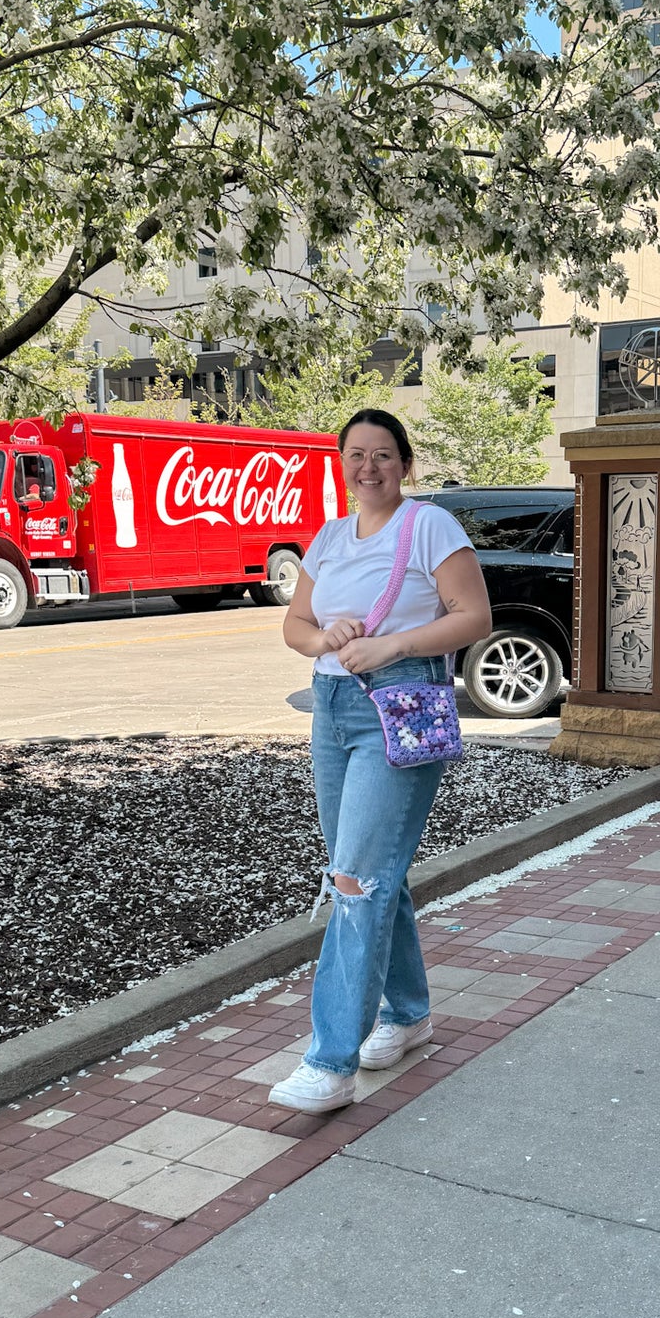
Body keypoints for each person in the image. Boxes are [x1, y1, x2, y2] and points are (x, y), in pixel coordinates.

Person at [273, 409, 492, 1113]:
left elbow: (474, 617)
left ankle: (330, 1060)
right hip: (331, 709)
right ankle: (407, 1012)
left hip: (398, 705)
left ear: (405, 463)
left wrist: (393, 645)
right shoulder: (331, 536)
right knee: (371, 871)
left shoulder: (427, 525)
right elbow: (293, 624)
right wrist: (322, 638)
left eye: (384, 455)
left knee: (355, 877)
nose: (369, 467)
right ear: (341, 461)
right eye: (357, 454)